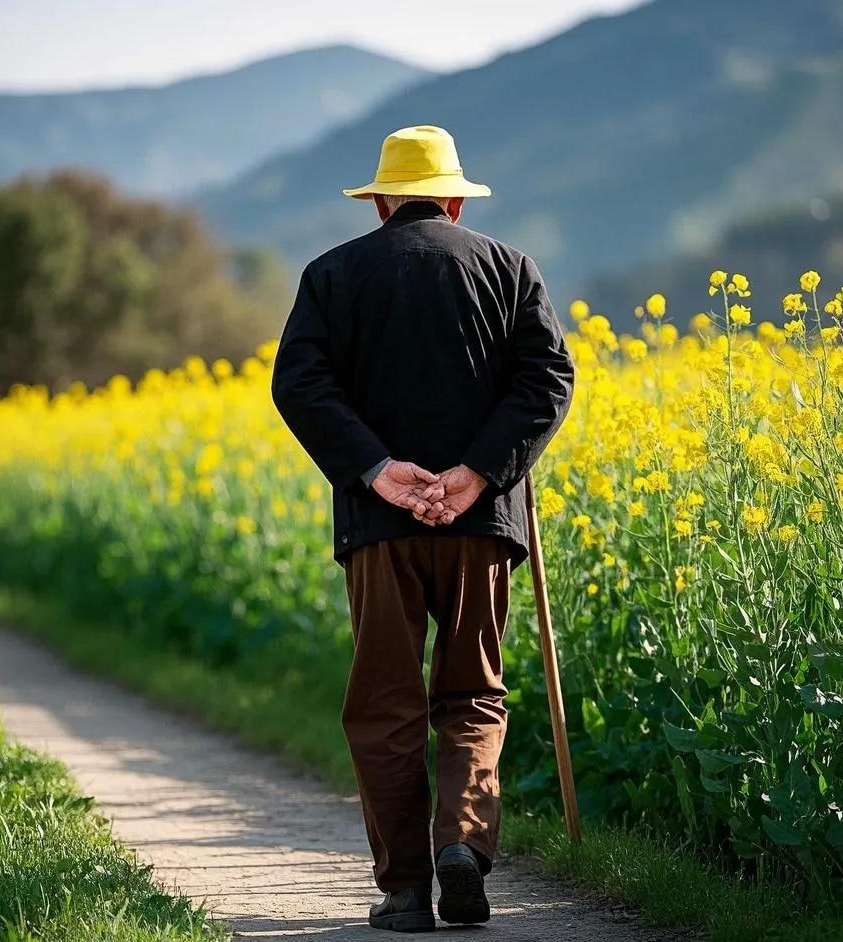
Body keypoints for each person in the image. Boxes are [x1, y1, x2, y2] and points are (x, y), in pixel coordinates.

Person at [271, 125, 574, 933]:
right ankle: (463, 850)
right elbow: (548, 378)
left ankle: (405, 890)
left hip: (380, 527)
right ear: (452, 199)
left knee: (384, 701)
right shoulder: (511, 269)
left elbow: (299, 385)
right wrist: (477, 472)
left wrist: (378, 470)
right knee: (472, 693)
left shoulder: (331, 274)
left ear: (379, 203)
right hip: (482, 526)